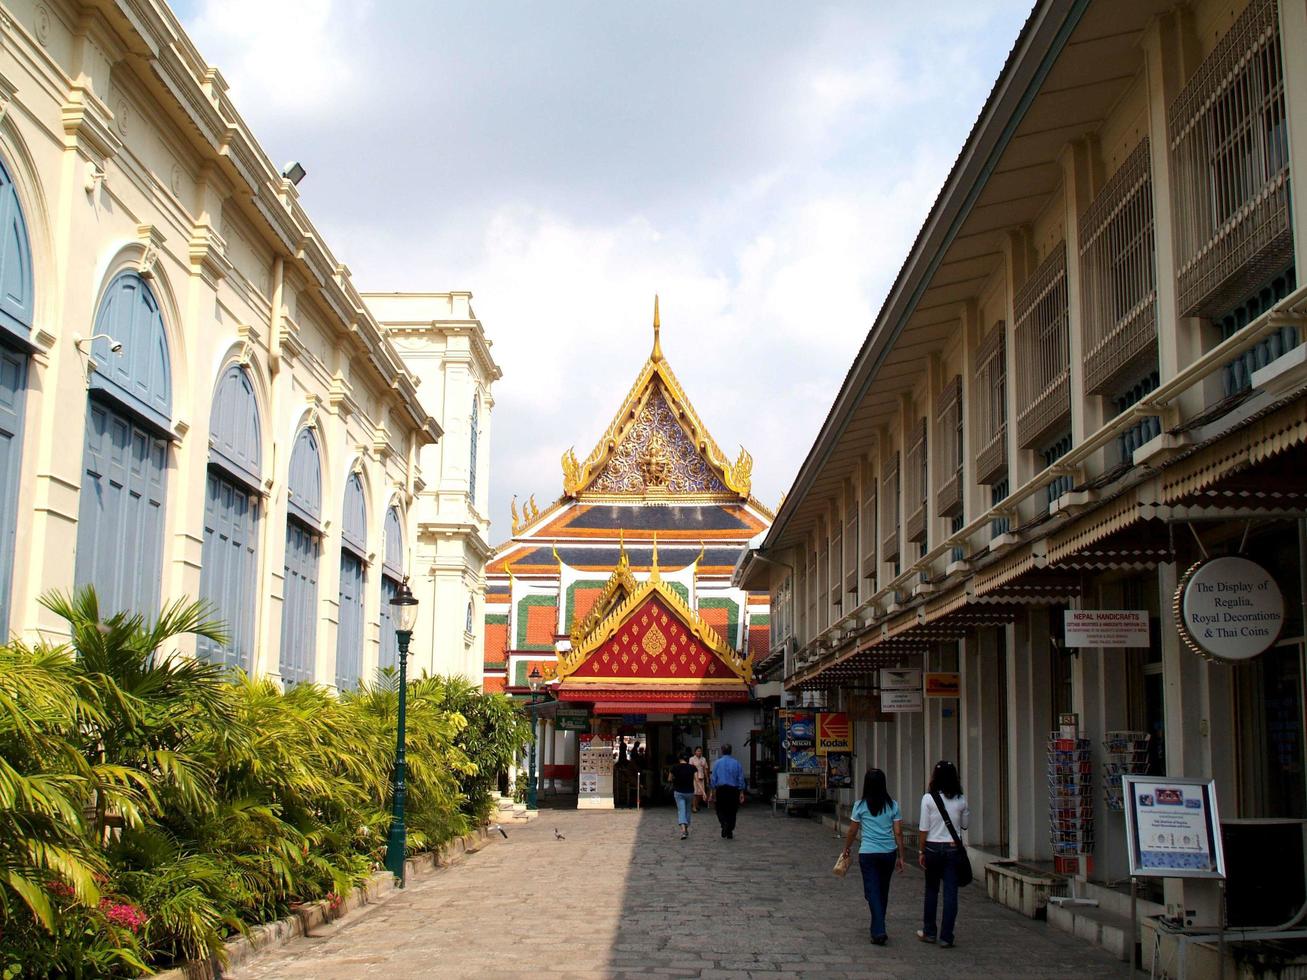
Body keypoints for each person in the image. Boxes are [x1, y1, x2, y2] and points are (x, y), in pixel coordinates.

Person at [841, 768, 905, 945]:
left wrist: (846, 848)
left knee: (872, 890)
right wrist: (901, 856)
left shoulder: (860, 806)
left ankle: (878, 930)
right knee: (882, 890)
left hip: (868, 853)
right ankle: (877, 925)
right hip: (888, 853)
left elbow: (853, 830)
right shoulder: (893, 805)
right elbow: (898, 832)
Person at [917, 760, 970, 949]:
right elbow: (964, 825)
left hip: (932, 848)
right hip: (953, 849)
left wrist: (921, 850)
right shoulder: (960, 799)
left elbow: (923, 829)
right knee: (950, 893)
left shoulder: (928, 799)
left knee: (931, 890)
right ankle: (947, 936)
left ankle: (929, 931)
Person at [710, 744, 746, 838]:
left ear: (722, 751)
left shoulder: (717, 763)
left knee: (720, 809)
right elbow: (740, 778)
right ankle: (729, 829)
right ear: (731, 751)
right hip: (733, 790)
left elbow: (713, 778)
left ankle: (724, 824)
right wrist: (741, 792)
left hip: (721, 789)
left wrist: (712, 792)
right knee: (732, 810)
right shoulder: (736, 763)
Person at [670, 749, 698, 840]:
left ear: (679, 759)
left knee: (681, 810)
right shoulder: (692, 767)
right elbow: (696, 780)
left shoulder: (674, 767)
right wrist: (704, 792)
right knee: (688, 810)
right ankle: (686, 827)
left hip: (679, 792)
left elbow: (669, 779)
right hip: (690, 792)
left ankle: (683, 830)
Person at [690, 746, 709, 812]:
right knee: (695, 793)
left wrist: (707, 779)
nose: (699, 752)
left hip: (701, 776)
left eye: (700, 751)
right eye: (698, 751)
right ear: (695, 752)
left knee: (700, 793)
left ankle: (696, 804)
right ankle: (694, 807)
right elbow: (690, 769)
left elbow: (705, 769)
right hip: (694, 777)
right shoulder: (692, 759)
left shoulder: (703, 759)